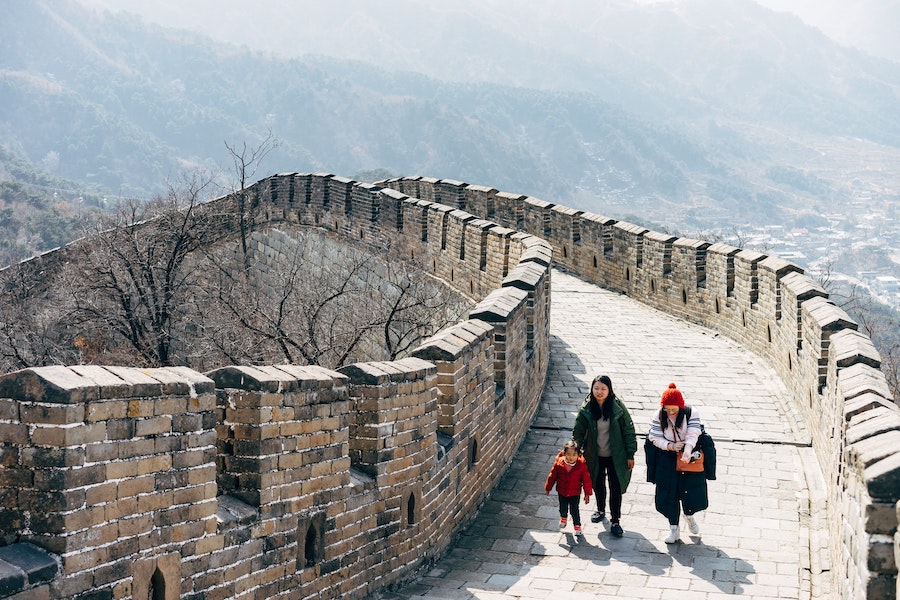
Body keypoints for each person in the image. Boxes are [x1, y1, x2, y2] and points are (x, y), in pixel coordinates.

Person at [572, 374, 636, 537]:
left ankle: (615, 521)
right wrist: (575, 449)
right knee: (597, 483)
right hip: (595, 454)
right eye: (596, 388)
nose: (599, 392)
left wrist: (630, 454)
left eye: (603, 389)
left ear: (609, 390)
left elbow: (629, 431)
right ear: (592, 389)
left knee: (615, 486)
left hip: (616, 455)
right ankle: (600, 510)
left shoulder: (617, 407)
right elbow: (578, 431)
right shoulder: (587, 408)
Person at [647, 382, 709, 543]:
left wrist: (687, 450)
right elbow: (654, 437)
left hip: (689, 456)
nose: (670, 412)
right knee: (669, 493)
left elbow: (694, 433)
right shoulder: (659, 415)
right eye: (667, 409)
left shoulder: (691, 412)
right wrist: (670, 446)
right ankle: (674, 529)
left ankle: (689, 516)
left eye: (674, 409)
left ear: (681, 406)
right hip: (667, 457)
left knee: (691, 490)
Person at [544, 440, 593, 535]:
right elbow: (552, 476)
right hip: (562, 491)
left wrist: (587, 493)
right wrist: (548, 487)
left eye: (574, 454)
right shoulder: (559, 464)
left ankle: (577, 525)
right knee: (563, 507)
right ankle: (563, 517)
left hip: (575, 493)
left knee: (574, 510)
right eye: (568, 454)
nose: (571, 457)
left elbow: (586, 480)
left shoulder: (581, 466)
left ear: (578, 455)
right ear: (564, 453)